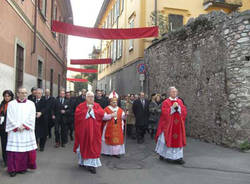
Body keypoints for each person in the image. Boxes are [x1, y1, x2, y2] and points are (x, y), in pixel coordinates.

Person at [74, 91, 115, 174]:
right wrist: (87, 111)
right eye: (89, 96)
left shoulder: (97, 106)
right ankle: (83, 162)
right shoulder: (81, 106)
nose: (91, 98)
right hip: (84, 132)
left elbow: (102, 115)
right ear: (86, 97)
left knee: (93, 147)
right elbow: (77, 115)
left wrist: (110, 115)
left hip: (94, 131)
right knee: (83, 145)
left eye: (92, 97)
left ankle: (92, 165)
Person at [6, 87, 37, 177]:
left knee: (24, 150)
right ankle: (12, 169)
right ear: (17, 94)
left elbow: (32, 116)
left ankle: (22, 168)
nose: (23, 94)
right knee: (13, 151)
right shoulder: (11, 104)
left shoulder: (31, 104)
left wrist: (24, 125)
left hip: (25, 131)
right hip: (15, 131)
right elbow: (9, 117)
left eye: (25, 93)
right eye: (21, 93)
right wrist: (16, 126)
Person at [155, 87, 187, 165]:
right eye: (173, 92)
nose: (174, 93)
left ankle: (178, 157)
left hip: (178, 125)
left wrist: (178, 108)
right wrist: (172, 108)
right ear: (169, 93)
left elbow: (184, 111)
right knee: (165, 139)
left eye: (176, 92)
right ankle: (164, 155)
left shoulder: (179, 101)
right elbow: (164, 112)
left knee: (178, 141)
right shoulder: (166, 102)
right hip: (169, 125)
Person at [101, 91, 127, 158]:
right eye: (113, 102)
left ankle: (116, 153)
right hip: (109, 127)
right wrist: (111, 115)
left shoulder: (120, 109)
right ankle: (107, 152)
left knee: (117, 139)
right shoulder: (106, 109)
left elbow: (123, 117)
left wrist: (126, 115)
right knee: (108, 139)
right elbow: (103, 117)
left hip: (117, 127)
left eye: (116, 102)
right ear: (110, 102)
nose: (115, 103)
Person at [0, 90, 14, 167]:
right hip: (2, 127)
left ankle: (10, 160)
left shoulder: (13, 104)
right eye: (5, 96)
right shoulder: (2, 104)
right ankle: (5, 160)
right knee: (3, 144)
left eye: (8, 96)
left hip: (10, 128)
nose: (7, 97)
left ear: (11, 97)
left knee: (10, 145)